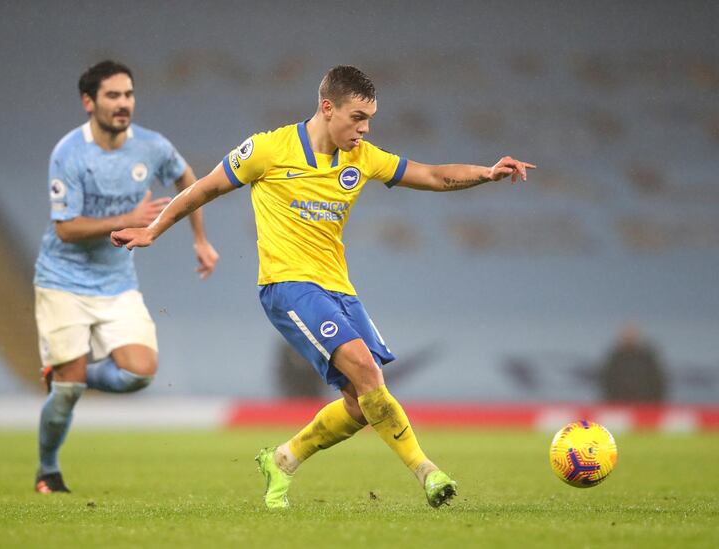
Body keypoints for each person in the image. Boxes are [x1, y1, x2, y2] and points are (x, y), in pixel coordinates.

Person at [112, 65, 534, 508]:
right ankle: (427, 472)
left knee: (359, 403)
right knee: (368, 371)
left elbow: (430, 176)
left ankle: (283, 459)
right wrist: (153, 231)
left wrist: (485, 173)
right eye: (357, 117)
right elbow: (203, 189)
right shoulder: (267, 149)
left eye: (369, 119)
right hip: (288, 285)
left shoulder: (362, 156)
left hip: (338, 288)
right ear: (327, 108)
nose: (365, 129)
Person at [33, 60, 219, 494]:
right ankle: (48, 470)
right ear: (88, 102)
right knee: (67, 396)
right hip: (62, 279)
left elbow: (191, 181)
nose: (123, 104)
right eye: (113, 96)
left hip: (116, 282)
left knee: (139, 372)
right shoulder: (68, 153)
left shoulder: (151, 147)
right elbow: (66, 228)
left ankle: (65, 374)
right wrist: (129, 218)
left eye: (128, 95)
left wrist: (200, 239)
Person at [599, 323, 668, 402]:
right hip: (619, 402)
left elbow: (657, 380)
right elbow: (607, 380)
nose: (630, 338)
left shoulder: (646, 357)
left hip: (645, 403)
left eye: (632, 336)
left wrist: (655, 401)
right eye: (627, 336)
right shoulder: (616, 357)